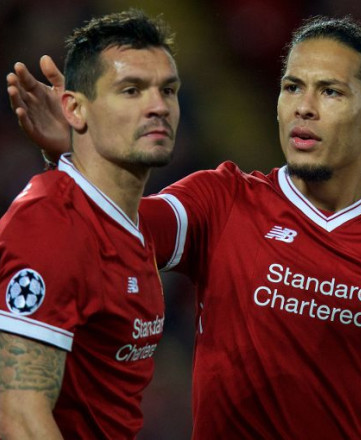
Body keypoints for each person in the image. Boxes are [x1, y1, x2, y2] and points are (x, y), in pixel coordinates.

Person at [6, 15, 361, 439]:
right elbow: (113, 227)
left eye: (330, 91)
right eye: (292, 87)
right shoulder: (223, 200)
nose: (304, 107)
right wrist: (82, 150)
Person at [0, 9, 180, 439]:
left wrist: (75, 145)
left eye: (168, 90)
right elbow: (18, 417)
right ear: (74, 109)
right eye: (131, 90)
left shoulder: (123, 221)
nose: (158, 106)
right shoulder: (49, 223)